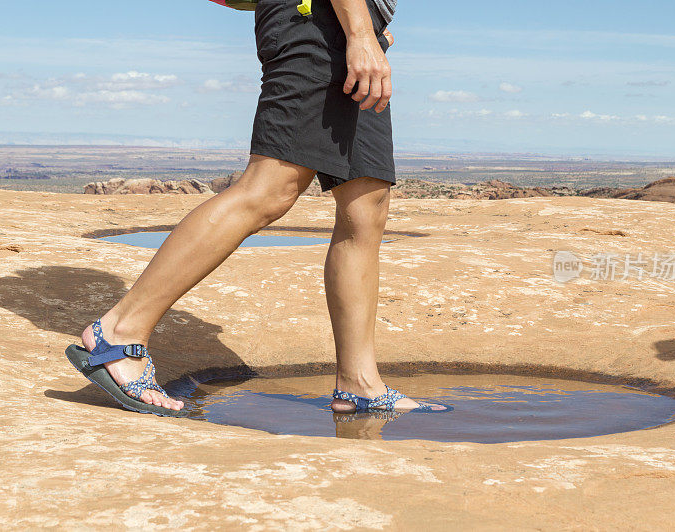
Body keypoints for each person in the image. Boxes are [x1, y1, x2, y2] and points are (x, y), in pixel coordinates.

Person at [72, 0, 448, 415]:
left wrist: (369, 27)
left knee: (367, 203)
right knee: (270, 188)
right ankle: (119, 331)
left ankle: (360, 383)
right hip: (318, 21)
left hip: (351, 24)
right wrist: (359, 33)